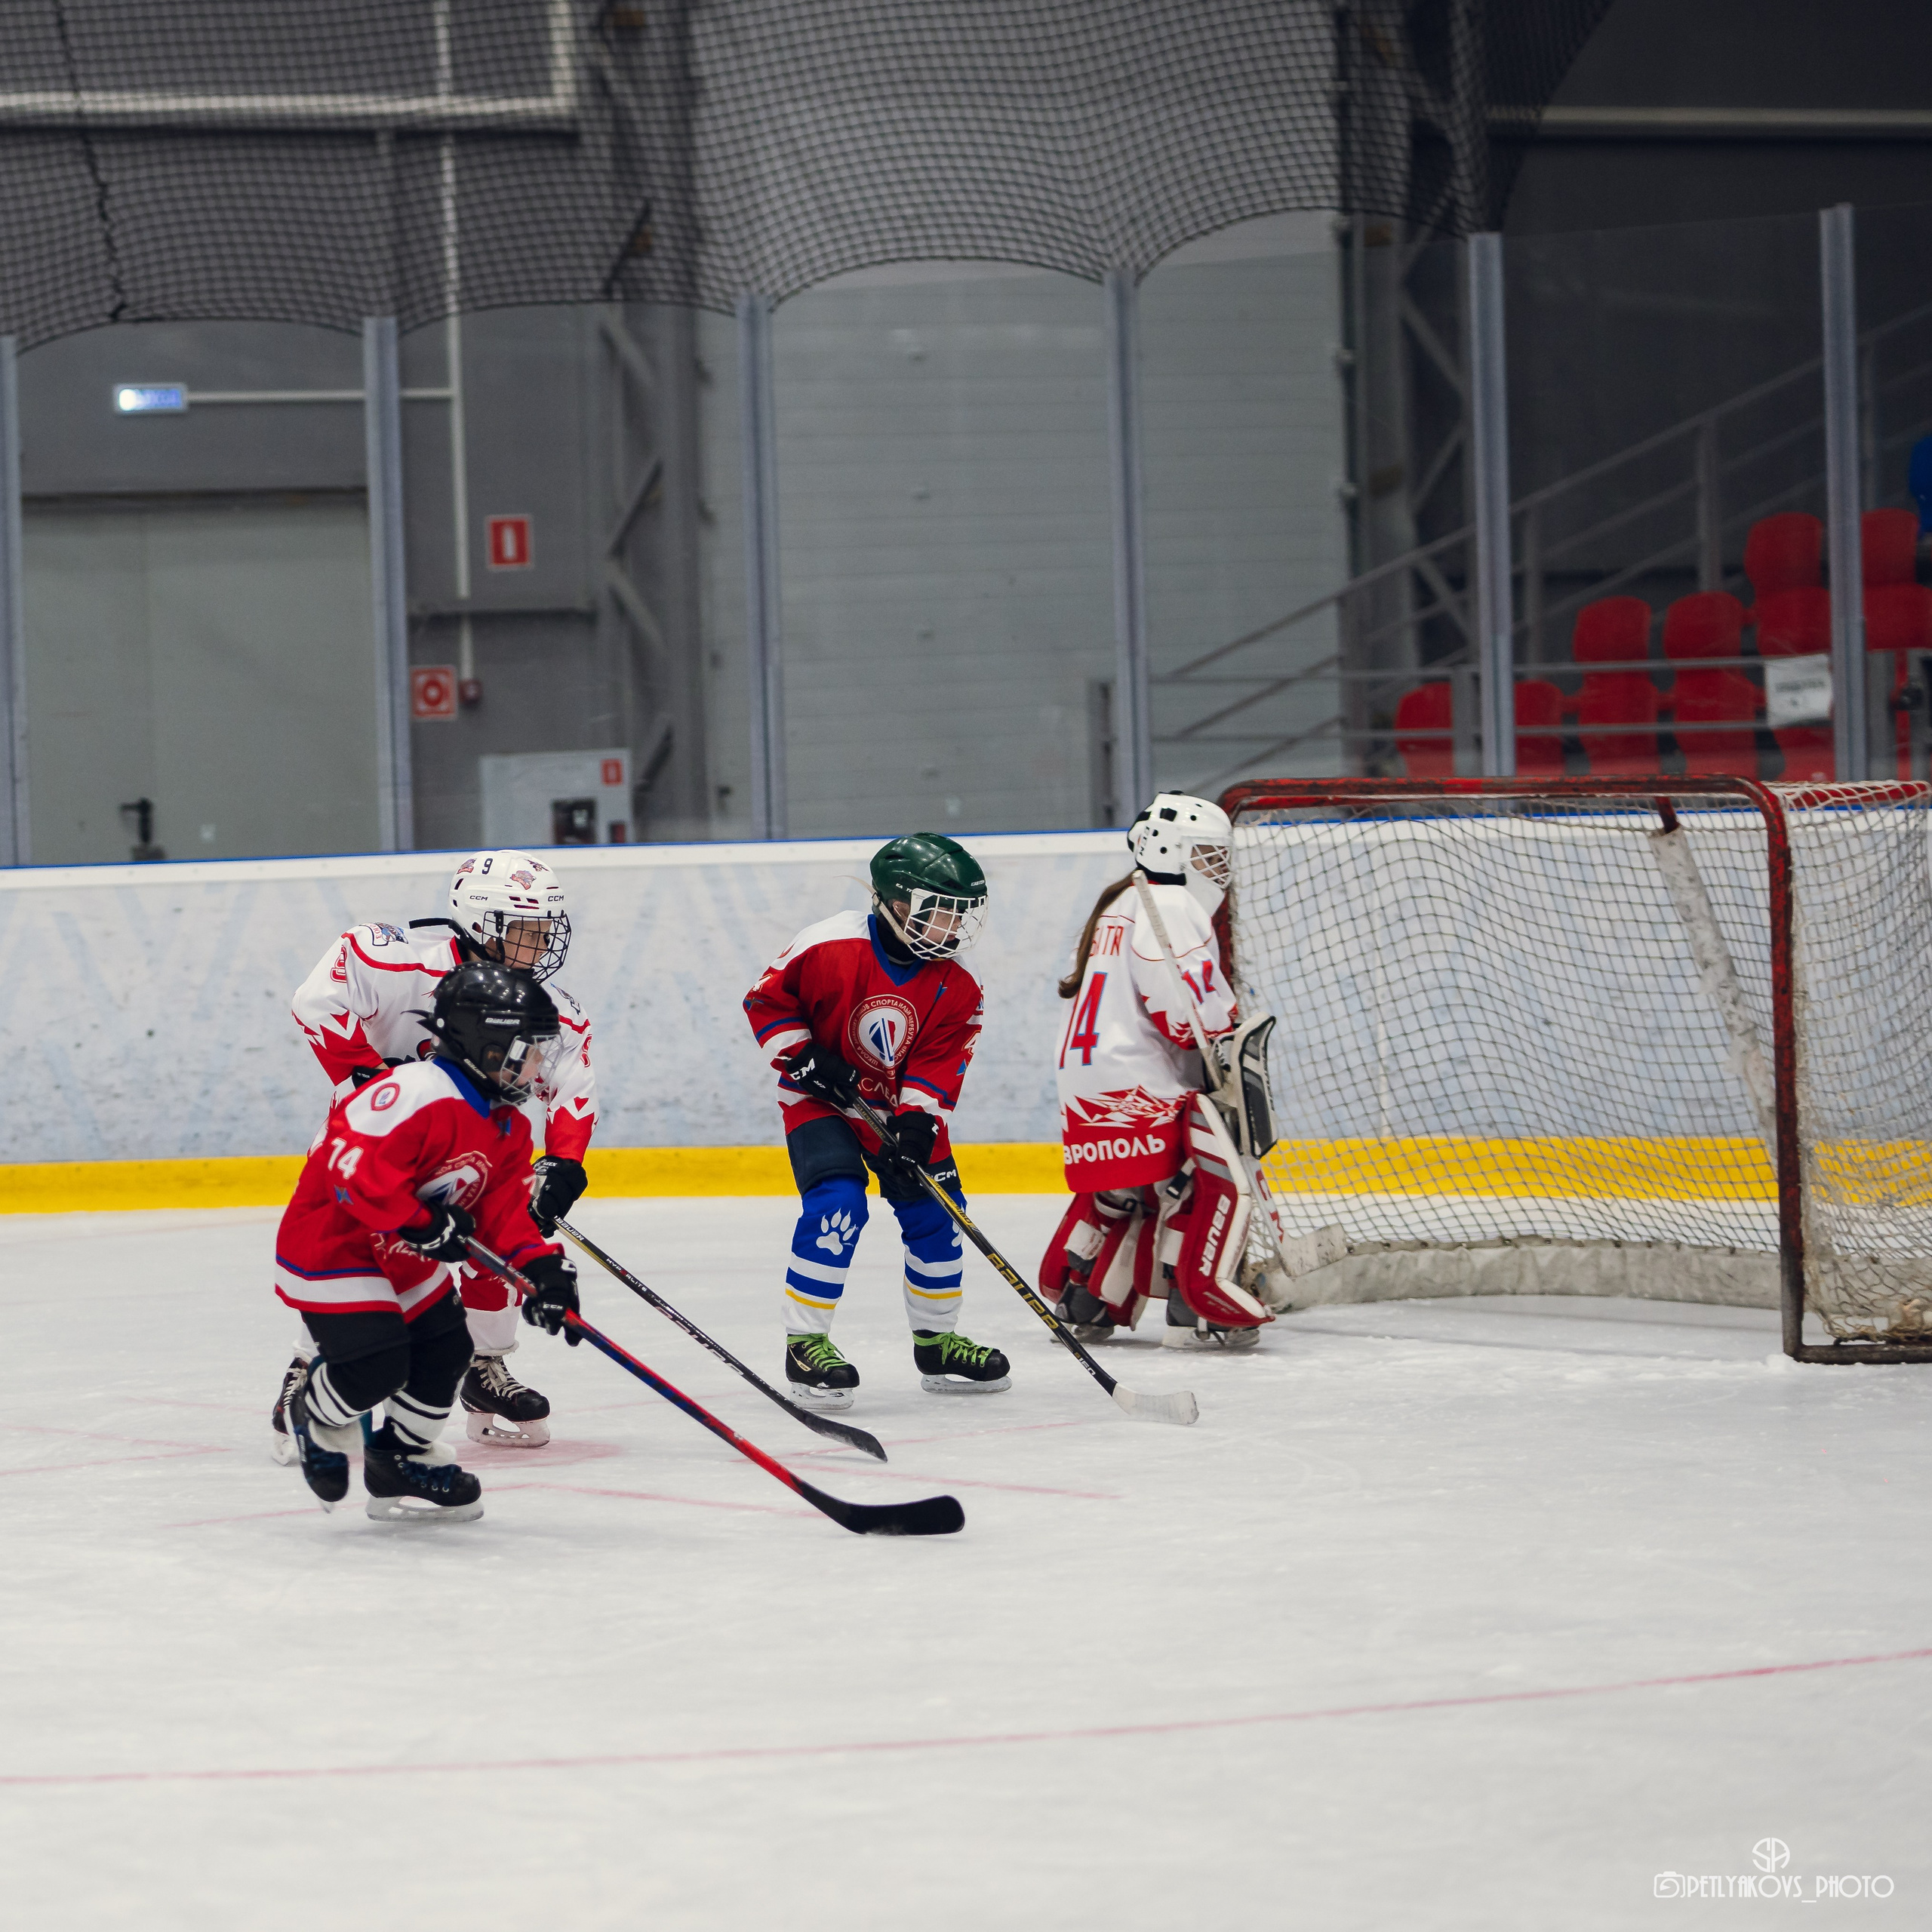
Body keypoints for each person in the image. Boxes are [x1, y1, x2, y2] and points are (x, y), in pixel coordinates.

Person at [272, 849, 598, 1457]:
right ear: (480, 922)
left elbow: (571, 1083)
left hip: (472, 1147)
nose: (538, 947)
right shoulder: (394, 958)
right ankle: (310, 1363)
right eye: (523, 931)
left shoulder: (541, 1004)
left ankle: (485, 1365)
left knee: (505, 1232)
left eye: (543, 932)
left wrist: (564, 1160)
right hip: (379, 1145)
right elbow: (315, 1000)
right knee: (354, 1251)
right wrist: (368, 1078)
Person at [275, 961, 582, 1522]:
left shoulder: (509, 1126)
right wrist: (416, 1219)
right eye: (527, 1048)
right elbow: (349, 1165)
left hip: (404, 1256)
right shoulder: (413, 1090)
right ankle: (313, 1411)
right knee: (379, 1363)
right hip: (334, 1246)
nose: (537, 1066)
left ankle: (400, 1457)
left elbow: (503, 1216)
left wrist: (542, 1271)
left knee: (447, 1349)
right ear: (486, 1044)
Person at [743, 833, 1010, 1410]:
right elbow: (767, 1002)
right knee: (838, 1205)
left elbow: (939, 1062)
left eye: (959, 917)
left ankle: (937, 1341)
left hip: (895, 1108)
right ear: (895, 903)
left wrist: (916, 1125)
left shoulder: (960, 984)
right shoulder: (828, 945)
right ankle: (805, 1342)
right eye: (938, 915)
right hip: (822, 1101)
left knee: (940, 1210)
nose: (950, 931)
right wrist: (804, 1055)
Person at [1041, 792, 1273, 1350]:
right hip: (1137, 1079)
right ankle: (1197, 1303)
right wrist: (1225, 1032)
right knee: (1198, 1182)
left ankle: (1086, 1296)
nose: (1218, 870)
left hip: (1088, 1082)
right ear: (1171, 851)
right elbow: (1185, 1013)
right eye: (1208, 856)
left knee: (1126, 1193)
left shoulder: (1122, 902)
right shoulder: (1169, 905)